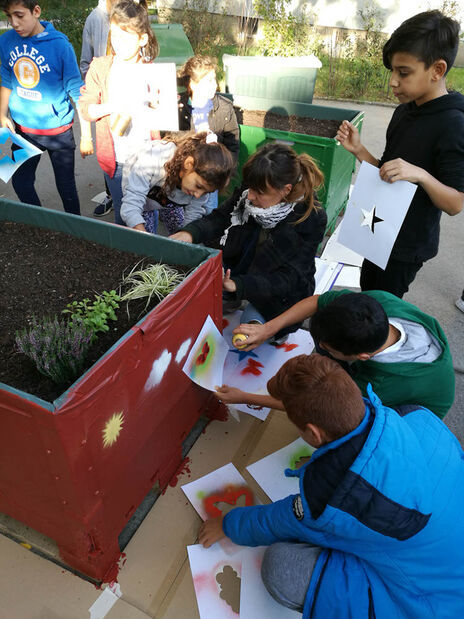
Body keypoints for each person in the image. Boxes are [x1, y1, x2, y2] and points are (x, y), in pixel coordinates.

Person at [199, 354, 464, 618]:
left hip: (431, 600)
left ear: (313, 434)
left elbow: (279, 521)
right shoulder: (418, 417)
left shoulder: (335, 495)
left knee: (281, 568)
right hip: (443, 549)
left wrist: (227, 525)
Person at [336, 10, 464, 298]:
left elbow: (455, 203)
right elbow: (388, 172)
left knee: (381, 310)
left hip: (406, 247)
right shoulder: (404, 111)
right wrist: (359, 150)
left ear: (437, 70)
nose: (393, 81)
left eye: (403, 72)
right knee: (368, 295)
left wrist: (420, 174)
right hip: (377, 231)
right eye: (392, 71)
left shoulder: (453, 124)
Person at [220, 289, 454, 418]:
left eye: (328, 349)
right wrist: (268, 328)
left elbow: (311, 404)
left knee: (338, 422)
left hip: (411, 415)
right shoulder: (379, 304)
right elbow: (318, 301)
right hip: (395, 375)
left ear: (362, 357)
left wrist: (245, 397)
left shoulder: (378, 385)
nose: (318, 348)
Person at [171, 143, 327, 336]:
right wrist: (190, 233)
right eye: (250, 188)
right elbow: (220, 217)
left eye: (259, 193)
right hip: (242, 266)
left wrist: (240, 285)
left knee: (252, 325)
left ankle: (252, 309)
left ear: (285, 190)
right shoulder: (255, 187)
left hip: (280, 291)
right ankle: (233, 296)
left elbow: (290, 278)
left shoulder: (311, 218)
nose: (250, 196)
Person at [0, 0, 93, 215]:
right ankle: (41, 222)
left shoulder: (60, 45)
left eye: (19, 15)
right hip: (22, 131)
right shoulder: (6, 41)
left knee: (66, 187)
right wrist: (2, 113)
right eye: (8, 16)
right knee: (20, 183)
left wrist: (86, 136)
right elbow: (6, 77)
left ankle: (76, 229)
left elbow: (77, 92)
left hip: (57, 133)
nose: (14, 23)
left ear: (36, 11)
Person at [78, 0, 159, 226]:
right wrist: (115, 105)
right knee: (123, 215)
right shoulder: (100, 67)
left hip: (147, 158)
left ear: (142, 38)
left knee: (147, 212)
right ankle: (128, 259)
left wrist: (163, 106)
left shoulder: (151, 70)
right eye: (114, 34)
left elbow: (162, 115)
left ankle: (151, 258)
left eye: (126, 36)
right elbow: (86, 109)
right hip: (116, 161)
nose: (118, 42)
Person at [120, 132, 234, 234]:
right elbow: (131, 204)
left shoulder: (199, 186)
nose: (198, 195)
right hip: (141, 199)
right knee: (144, 235)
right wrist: (142, 234)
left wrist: (186, 236)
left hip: (171, 201)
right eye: (199, 186)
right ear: (189, 164)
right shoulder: (153, 160)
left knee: (179, 230)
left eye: (206, 192)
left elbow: (193, 216)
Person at [177, 55, 239, 213]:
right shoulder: (179, 107)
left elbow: (233, 144)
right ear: (193, 83)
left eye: (214, 79)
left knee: (207, 214)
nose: (215, 85)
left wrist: (225, 174)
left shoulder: (224, 109)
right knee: (181, 216)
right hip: (185, 176)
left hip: (211, 175)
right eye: (208, 80)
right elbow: (172, 140)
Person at [80, 0, 117, 218]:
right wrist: (97, 83)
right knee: (110, 151)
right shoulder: (95, 18)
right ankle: (112, 195)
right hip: (106, 107)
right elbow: (86, 62)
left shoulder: (136, 11)